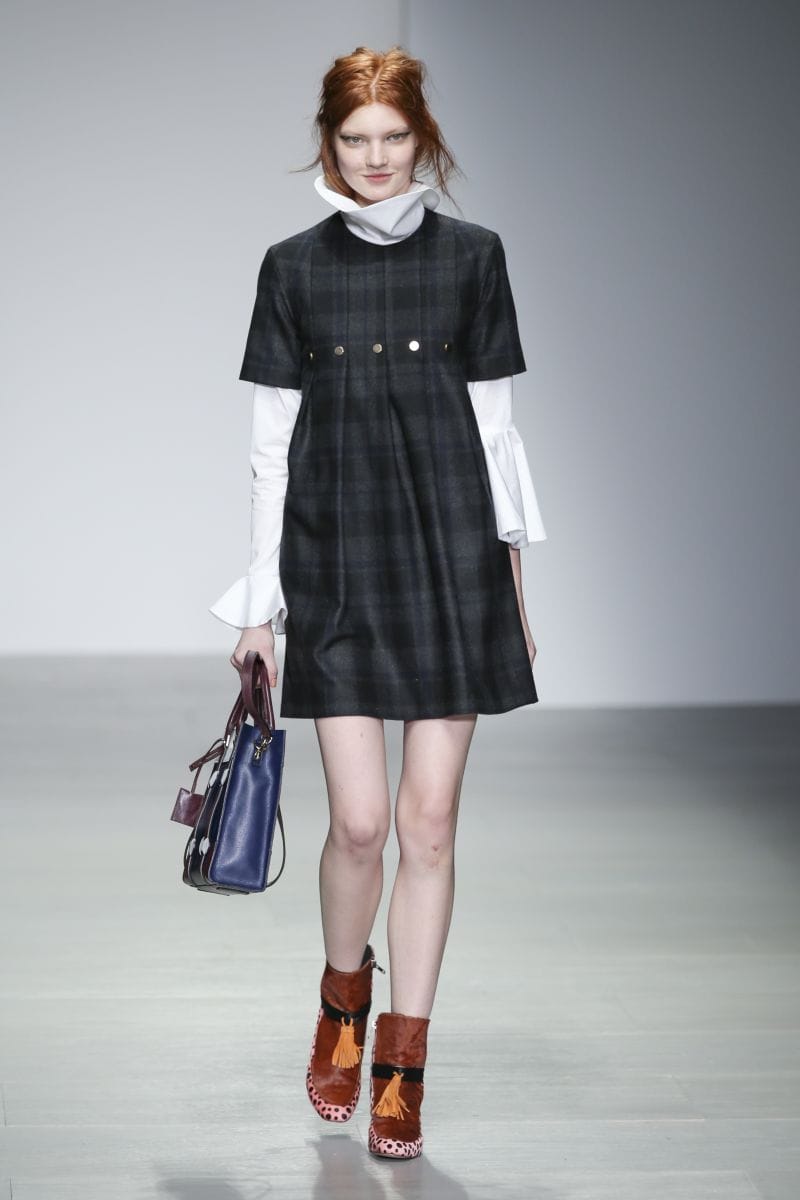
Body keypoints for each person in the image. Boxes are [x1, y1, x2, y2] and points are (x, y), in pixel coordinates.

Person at [209, 45, 547, 1161]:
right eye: (354, 139)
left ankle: (402, 1066)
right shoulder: (291, 268)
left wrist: (513, 583)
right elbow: (270, 453)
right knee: (357, 824)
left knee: (427, 825)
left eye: (393, 137)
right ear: (328, 141)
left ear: (422, 138)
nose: (374, 157)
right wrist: (258, 609)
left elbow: (496, 434)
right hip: (338, 558)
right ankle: (342, 1000)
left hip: (452, 561)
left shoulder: (475, 256)